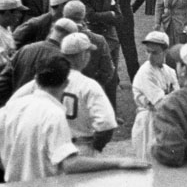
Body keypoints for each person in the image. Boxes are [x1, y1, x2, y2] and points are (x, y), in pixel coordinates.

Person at [0, 55, 150, 182]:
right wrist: (119, 162)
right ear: (65, 83)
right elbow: (69, 164)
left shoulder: (10, 107)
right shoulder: (54, 113)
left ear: (36, 79)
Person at [11, 33, 117, 157]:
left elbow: (13, 106)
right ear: (83, 55)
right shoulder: (88, 85)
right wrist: (95, 147)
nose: (89, 56)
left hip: (47, 146)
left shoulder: (44, 80)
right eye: (88, 52)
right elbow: (107, 125)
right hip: (80, 147)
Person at [0, 18, 78, 106]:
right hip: (43, 112)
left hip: (17, 108)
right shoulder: (62, 60)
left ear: (52, 30)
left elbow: (3, 82)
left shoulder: (25, 49)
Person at [131, 31, 179, 162]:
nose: (150, 56)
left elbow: (177, 98)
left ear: (165, 52)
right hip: (147, 121)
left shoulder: (170, 71)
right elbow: (160, 104)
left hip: (164, 120)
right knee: (147, 162)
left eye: (155, 52)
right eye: (148, 52)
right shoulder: (145, 72)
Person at [62, 0, 116, 109]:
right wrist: (96, 84)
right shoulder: (98, 40)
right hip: (90, 93)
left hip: (62, 94)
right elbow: (108, 70)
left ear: (64, 16)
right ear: (84, 16)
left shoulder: (57, 37)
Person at [106, 0, 145, 82]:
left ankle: (136, 80)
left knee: (131, 52)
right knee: (112, 52)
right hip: (113, 23)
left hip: (127, 22)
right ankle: (113, 80)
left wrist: (131, 9)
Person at [0, 0, 27, 73]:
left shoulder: (6, 28)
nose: (20, 15)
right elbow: (2, 64)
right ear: (8, 13)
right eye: (18, 12)